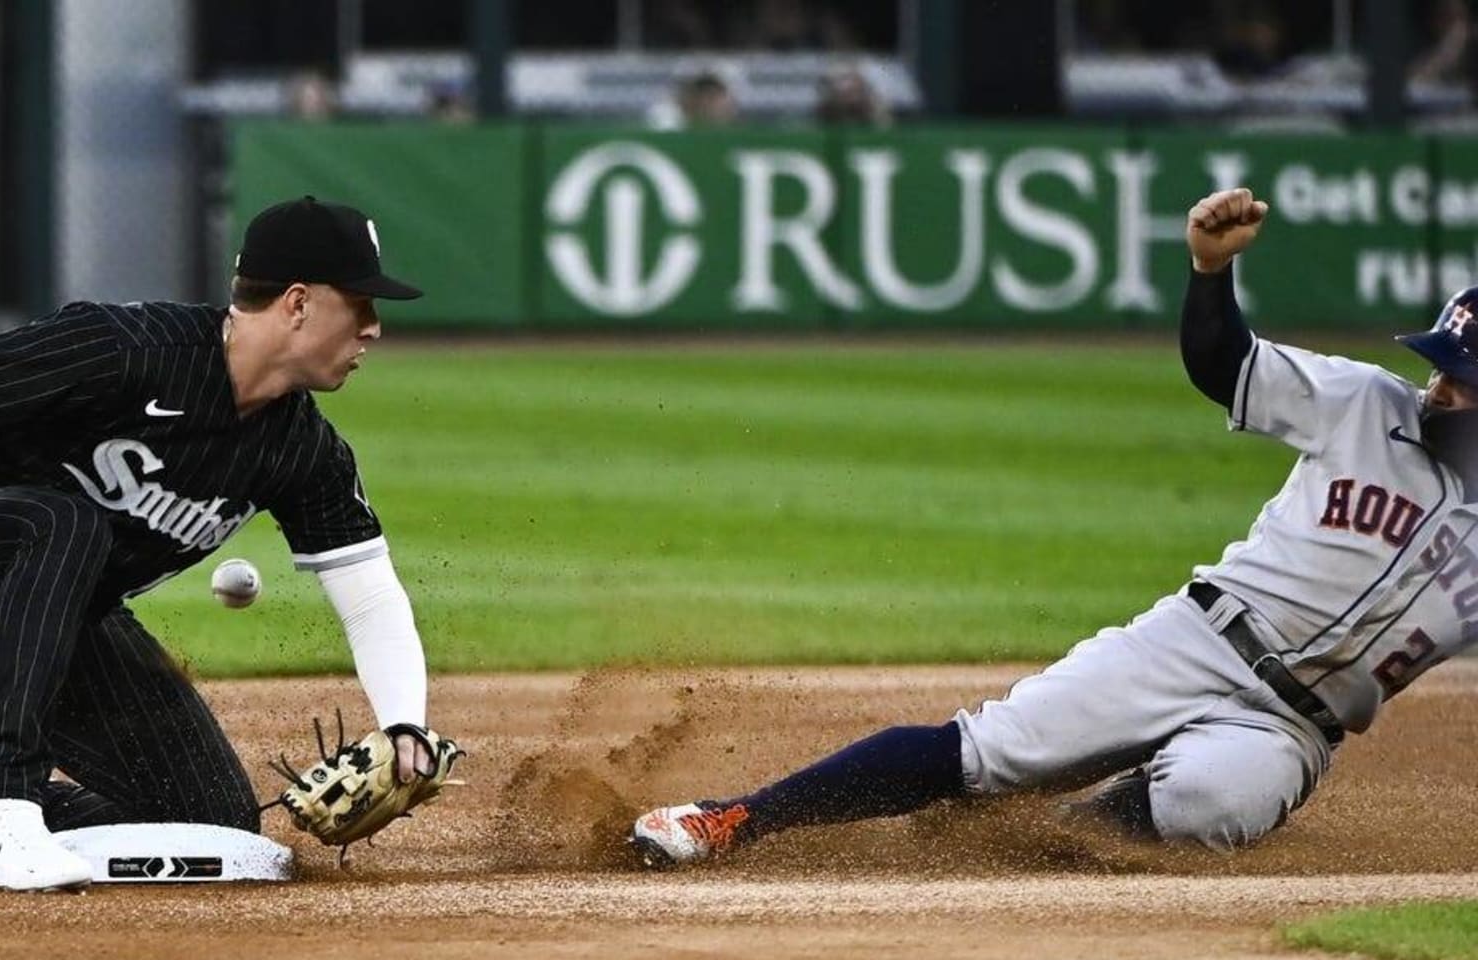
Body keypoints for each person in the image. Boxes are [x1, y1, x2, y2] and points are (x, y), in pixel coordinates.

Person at [631, 186, 1478, 866]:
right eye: (1439, 367)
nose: (1439, 388)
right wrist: (1209, 272)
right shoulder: (1366, 403)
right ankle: (735, 817)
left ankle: (1072, 824)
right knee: (989, 754)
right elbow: (1226, 365)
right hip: (1201, 639)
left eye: (1462, 379)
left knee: (1208, 806)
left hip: (1290, 728)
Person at [0, 197, 436, 890]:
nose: (374, 329)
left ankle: (39, 819)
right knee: (68, 522)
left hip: (57, 613)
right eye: (361, 305)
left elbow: (371, 598)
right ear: (298, 303)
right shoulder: (129, 348)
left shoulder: (302, 451)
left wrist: (406, 728)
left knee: (210, 818)